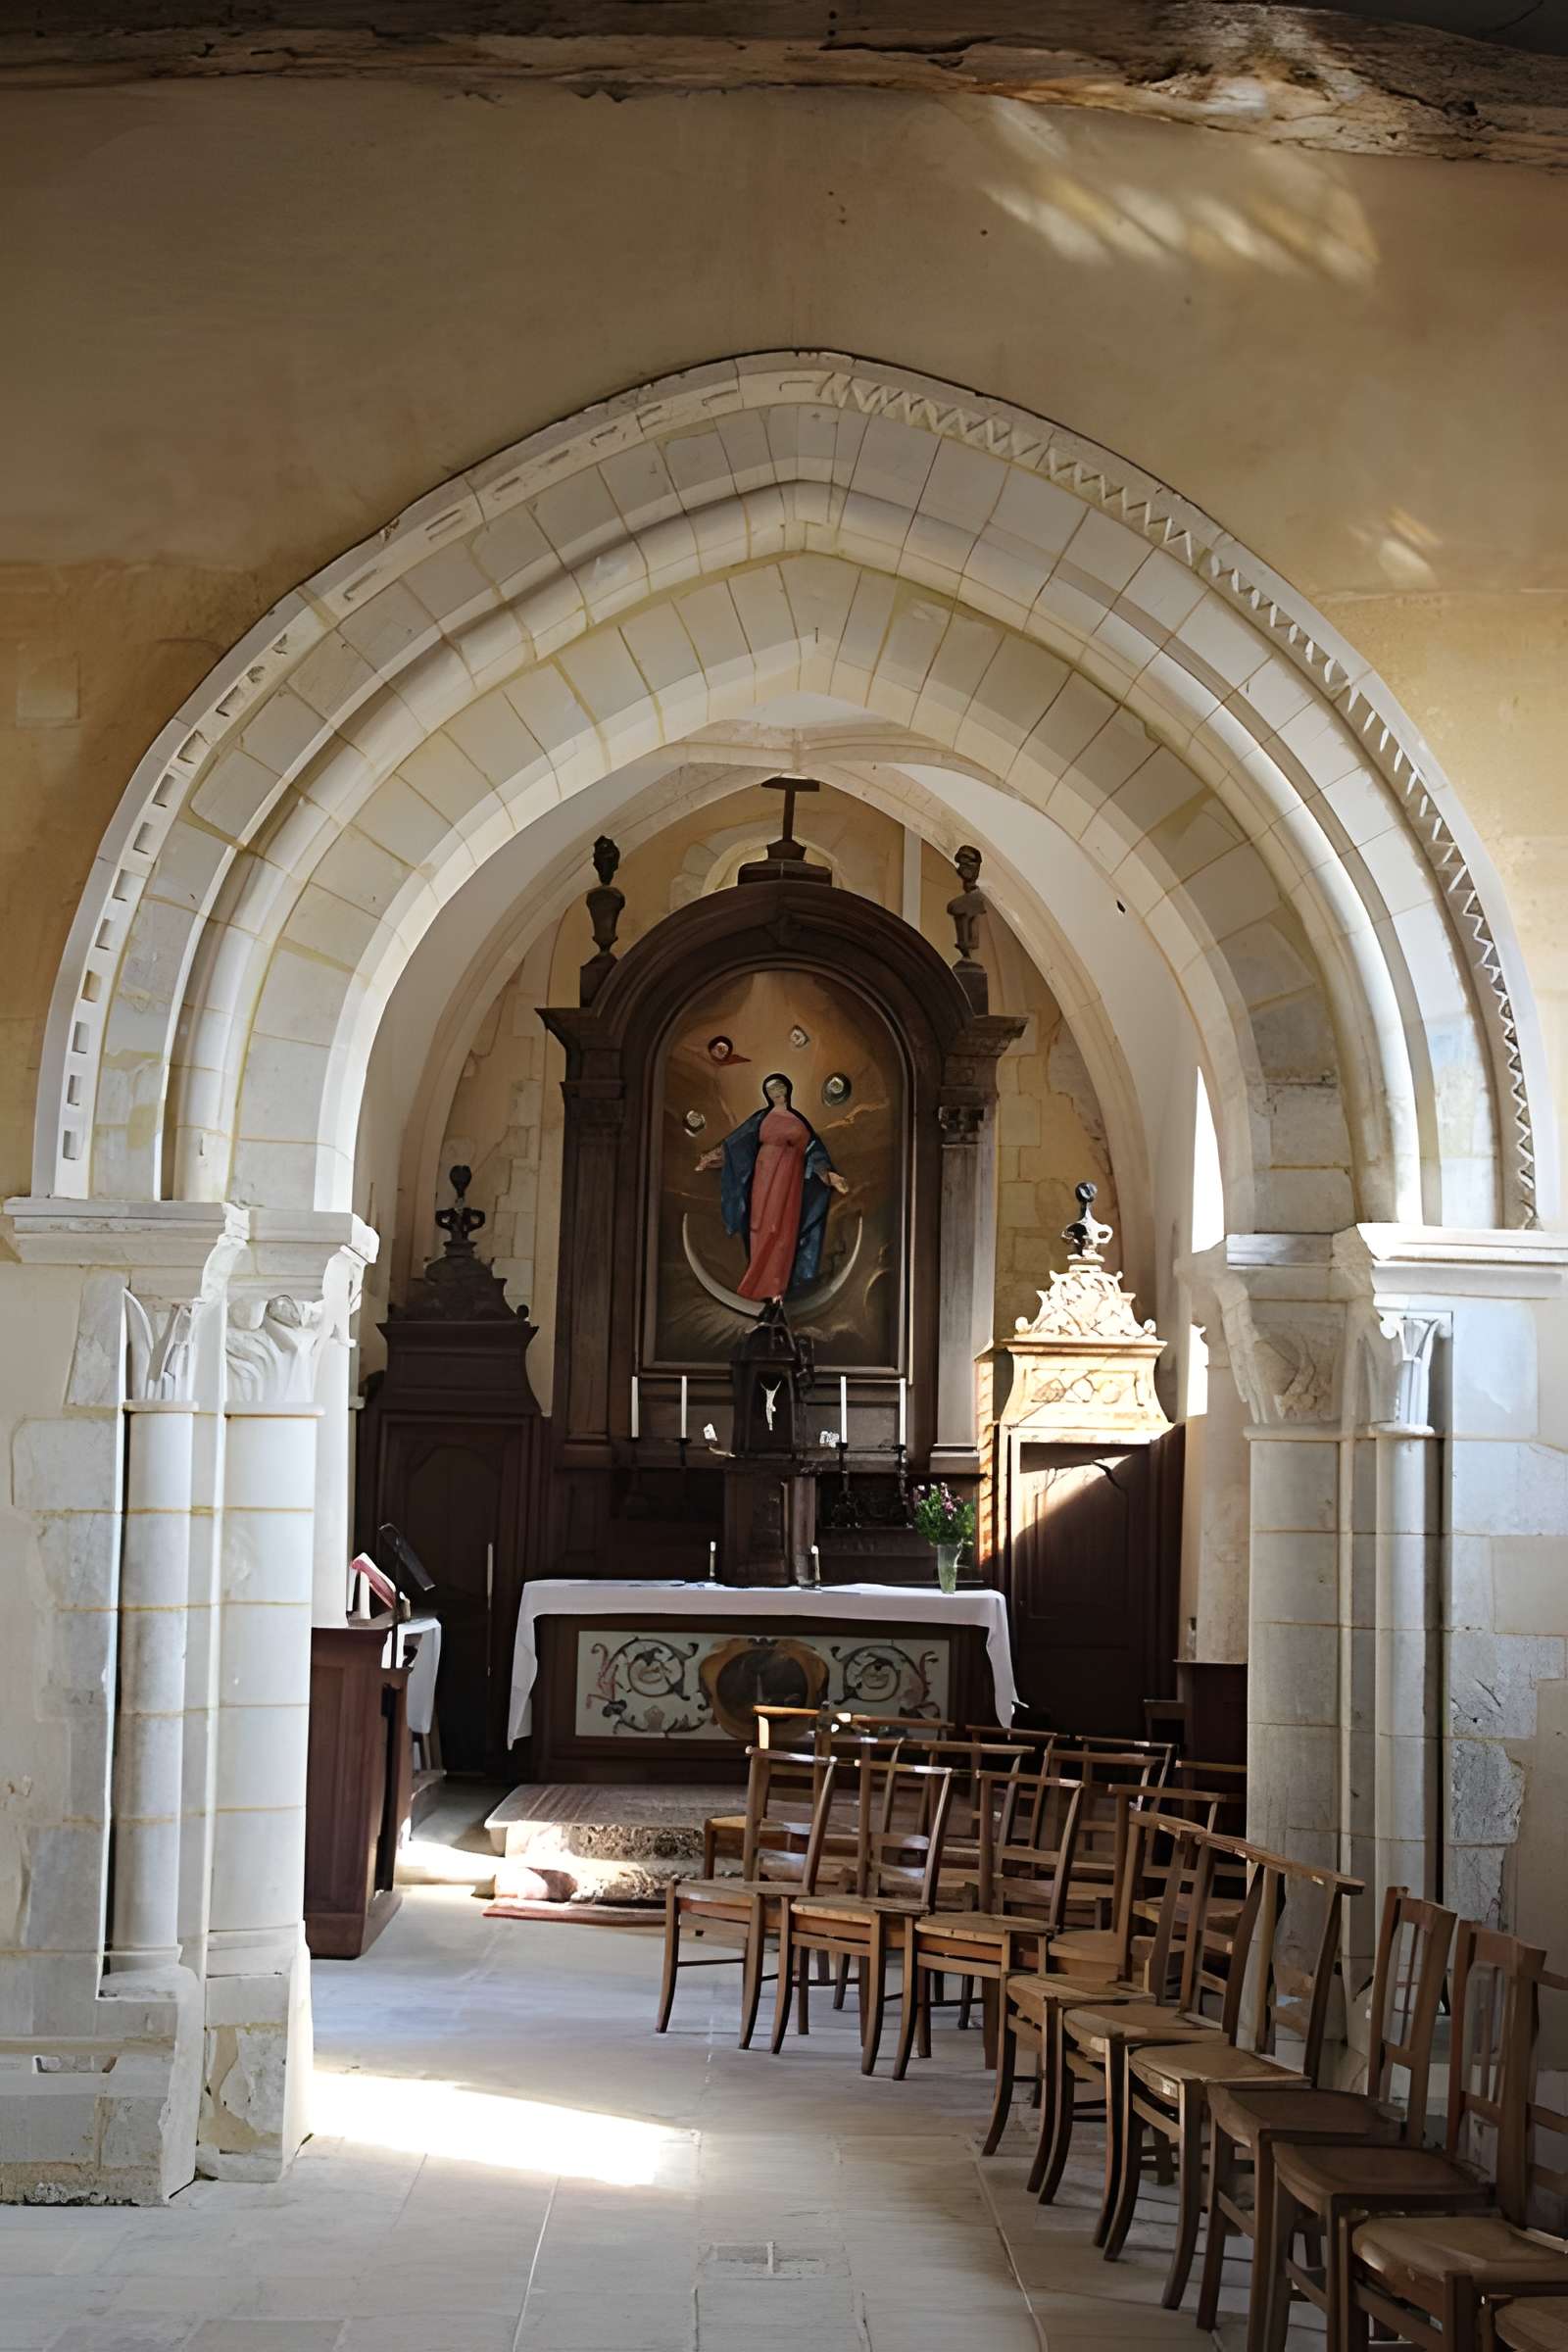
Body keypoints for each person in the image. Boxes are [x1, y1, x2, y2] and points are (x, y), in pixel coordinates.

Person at [696, 1072, 849, 1300]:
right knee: (763, 1226)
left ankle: (777, 1289)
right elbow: (736, 1144)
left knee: (784, 1231)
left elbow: (814, 1153)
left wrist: (830, 1176)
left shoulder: (800, 1122)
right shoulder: (761, 1119)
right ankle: (756, 1285)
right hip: (765, 1177)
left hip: (791, 1180)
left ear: (786, 1089)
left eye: (778, 1087)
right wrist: (711, 1157)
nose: (775, 1092)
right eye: (770, 1090)